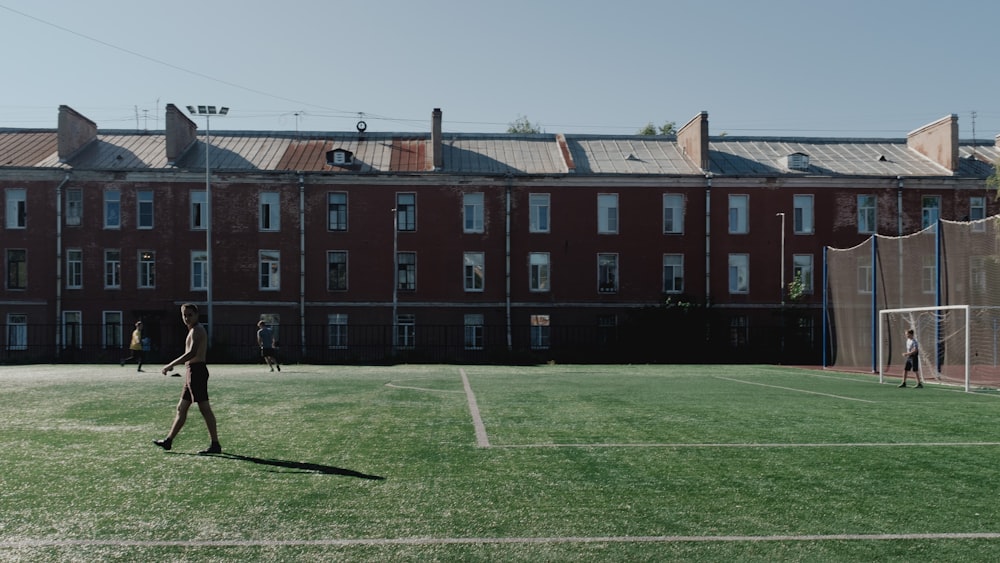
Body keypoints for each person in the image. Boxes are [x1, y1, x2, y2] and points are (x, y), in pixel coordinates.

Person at [153, 303, 221, 454]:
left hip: (197, 372)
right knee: (181, 408)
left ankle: (215, 444)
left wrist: (171, 364)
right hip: (191, 372)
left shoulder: (197, 330)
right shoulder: (192, 330)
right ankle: (168, 441)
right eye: (185, 315)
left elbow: (192, 353)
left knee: (205, 409)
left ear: (197, 315)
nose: (187, 318)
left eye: (190, 315)